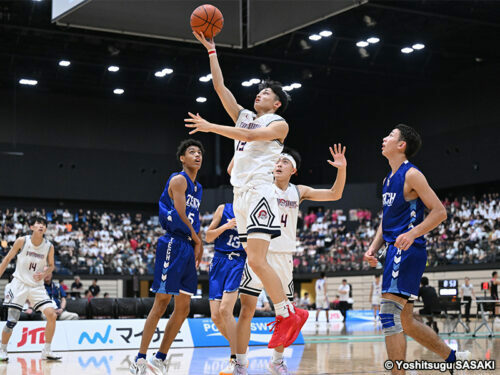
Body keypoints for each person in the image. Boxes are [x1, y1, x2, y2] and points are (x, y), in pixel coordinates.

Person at [189, 31, 307, 363]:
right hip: (240, 194)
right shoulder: (244, 115)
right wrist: (212, 51)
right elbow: (220, 88)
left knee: (256, 260)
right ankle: (287, 312)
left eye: (266, 93)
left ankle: (287, 312)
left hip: (260, 191)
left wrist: (212, 128)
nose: (259, 96)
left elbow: (246, 134)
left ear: (277, 103)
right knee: (255, 261)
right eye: (258, 92)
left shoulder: (277, 123)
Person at [364, 124, 470, 374]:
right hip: (393, 251)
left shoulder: (412, 174)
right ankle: (453, 358)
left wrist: (412, 233)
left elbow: (440, 212)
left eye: (390, 135)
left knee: (389, 315)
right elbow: (386, 219)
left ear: (401, 145)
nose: (384, 138)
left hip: (408, 250)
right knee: (406, 322)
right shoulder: (388, 178)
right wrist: (373, 248)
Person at [236, 146, 346, 374]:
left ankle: (276, 361)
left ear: (293, 170)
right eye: (276, 161)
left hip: (283, 257)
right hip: (258, 254)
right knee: (246, 310)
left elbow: (335, 194)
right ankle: (239, 363)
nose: (277, 164)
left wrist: (342, 169)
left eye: (283, 162)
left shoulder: (299, 191)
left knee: (283, 315)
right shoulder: (261, 186)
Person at [130, 139, 204, 375]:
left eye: (200, 152)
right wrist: (198, 239)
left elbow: (193, 217)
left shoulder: (198, 188)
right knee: (161, 302)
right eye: (192, 152)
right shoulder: (179, 179)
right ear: (182, 158)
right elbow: (181, 213)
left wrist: (196, 242)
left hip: (187, 244)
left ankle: (159, 358)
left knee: (183, 307)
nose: (197, 155)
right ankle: (140, 358)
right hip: (173, 242)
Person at [0, 216, 62, 361]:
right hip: (19, 283)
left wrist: (45, 273)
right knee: (12, 321)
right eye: (38, 223)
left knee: (52, 315)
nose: (41, 226)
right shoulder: (22, 241)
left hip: (36, 286)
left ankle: (46, 350)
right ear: (32, 227)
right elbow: (8, 259)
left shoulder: (49, 246)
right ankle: (2, 349)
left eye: (44, 224)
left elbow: (52, 265)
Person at [205, 202, 246, 375]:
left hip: (238, 261)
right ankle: (240, 350)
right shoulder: (222, 209)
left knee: (225, 310)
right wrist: (226, 226)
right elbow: (208, 236)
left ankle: (234, 358)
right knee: (215, 316)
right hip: (218, 261)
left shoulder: (253, 210)